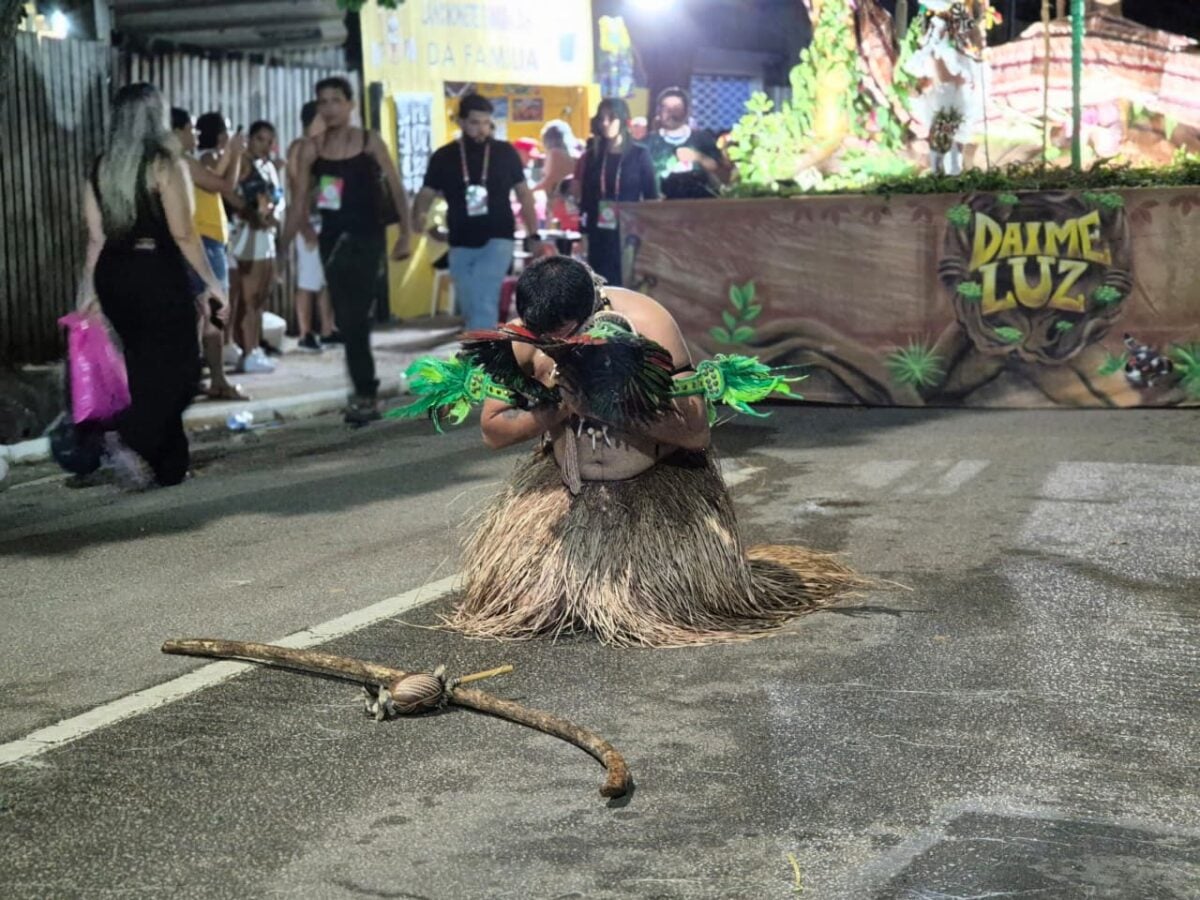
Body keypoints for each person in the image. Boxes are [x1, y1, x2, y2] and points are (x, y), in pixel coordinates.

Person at [391, 256, 863, 646]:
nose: (552, 344)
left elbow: (696, 433)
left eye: (562, 334)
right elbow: (493, 432)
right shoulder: (522, 338)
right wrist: (557, 411)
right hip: (570, 494)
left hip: (654, 493)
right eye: (543, 337)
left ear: (590, 309)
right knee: (532, 609)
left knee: (666, 609)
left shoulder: (649, 324)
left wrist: (611, 406)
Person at [78, 83, 225, 489]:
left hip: (114, 276)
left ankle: (169, 466)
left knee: (145, 368)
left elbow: (96, 238)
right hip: (156, 273)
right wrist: (210, 282)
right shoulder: (165, 163)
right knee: (184, 371)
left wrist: (89, 291)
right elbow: (184, 233)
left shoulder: (101, 166)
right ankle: (126, 434)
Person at [282, 76, 413, 425]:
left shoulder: (370, 142)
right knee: (346, 316)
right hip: (333, 243)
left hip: (368, 239)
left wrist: (406, 233)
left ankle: (365, 391)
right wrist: (283, 247)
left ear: (350, 105)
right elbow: (298, 203)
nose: (329, 108)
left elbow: (396, 188)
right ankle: (364, 390)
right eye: (323, 102)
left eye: (336, 100)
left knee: (355, 315)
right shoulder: (313, 149)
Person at [410, 93, 544, 332]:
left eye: (486, 123)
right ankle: (483, 343)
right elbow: (426, 193)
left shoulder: (505, 152)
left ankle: (481, 352)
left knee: (484, 299)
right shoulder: (444, 156)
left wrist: (533, 234)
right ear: (461, 122)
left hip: (499, 236)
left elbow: (524, 194)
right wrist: (418, 215)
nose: (482, 129)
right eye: (474, 122)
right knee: (470, 304)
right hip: (460, 239)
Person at [171, 108, 249, 401]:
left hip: (201, 240)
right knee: (214, 312)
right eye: (191, 128)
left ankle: (194, 379)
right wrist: (236, 152)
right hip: (204, 241)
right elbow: (225, 186)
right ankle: (218, 380)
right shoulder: (184, 161)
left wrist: (231, 154)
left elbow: (219, 180)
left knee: (199, 314)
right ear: (177, 132)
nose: (197, 133)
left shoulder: (181, 162)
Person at [574, 98, 657, 288]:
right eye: (601, 118)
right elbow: (586, 198)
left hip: (629, 231)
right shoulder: (593, 155)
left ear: (623, 120)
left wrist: (648, 232)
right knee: (600, 285)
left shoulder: (639, 154)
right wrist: (583, 233)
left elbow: (651, 196)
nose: (605, 123)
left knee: (626, 283)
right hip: (598, 230)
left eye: (611, 118)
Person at [285, 100, 338, 352]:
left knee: (326, 278)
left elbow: (331, 189)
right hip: (308, 221)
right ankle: (305, 333)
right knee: (308, 279)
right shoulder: (301, 147)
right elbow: (297, 189)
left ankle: (328, 329)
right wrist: (304, 224)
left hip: (326, 220)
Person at [230, 120, 283, 374]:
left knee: (261, 295)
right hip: (248, 236)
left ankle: (253, 347)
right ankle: (248, 351)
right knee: (249, 298)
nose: (265, 145)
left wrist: (274, 215)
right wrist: (250, 213)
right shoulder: (242, 162)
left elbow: (278, 197)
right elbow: (229, 192)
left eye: (269, 141)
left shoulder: (268, 166)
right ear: (250, 139)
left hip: (267, 234)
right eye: (260, 139)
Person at [645, 86, 732, 197]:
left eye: (677, 107)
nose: (671, 112)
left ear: (686, 111)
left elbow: (725, 177)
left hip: (700, 204)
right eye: (666, 107)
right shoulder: (648, 144)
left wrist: (699, 157)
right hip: (660, 206)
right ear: (659, 111)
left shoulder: (703, 139)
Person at [532, 119, 577, 198]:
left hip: (559, 199)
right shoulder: (573, 154)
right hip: (569, 198)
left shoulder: (555, 153)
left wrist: (529, 192)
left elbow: (549, 181)